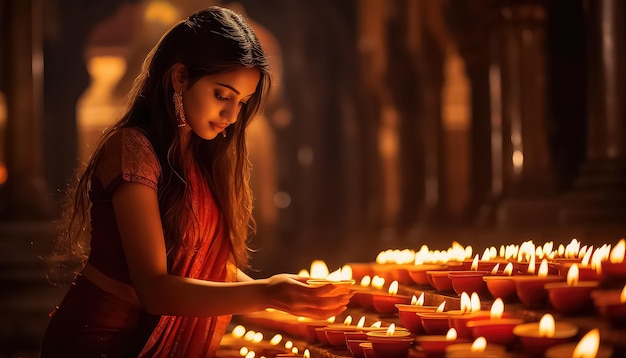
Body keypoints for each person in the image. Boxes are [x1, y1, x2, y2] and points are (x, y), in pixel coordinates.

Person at [40, 6, 351, 357]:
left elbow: (208, 267)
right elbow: (155, 290)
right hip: (100, 341)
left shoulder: (201, 157)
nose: (232, 116)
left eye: (242, 102)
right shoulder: (132, 148)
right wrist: (269, 293)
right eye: (222, 95)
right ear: (180, 77)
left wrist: (291, 298)